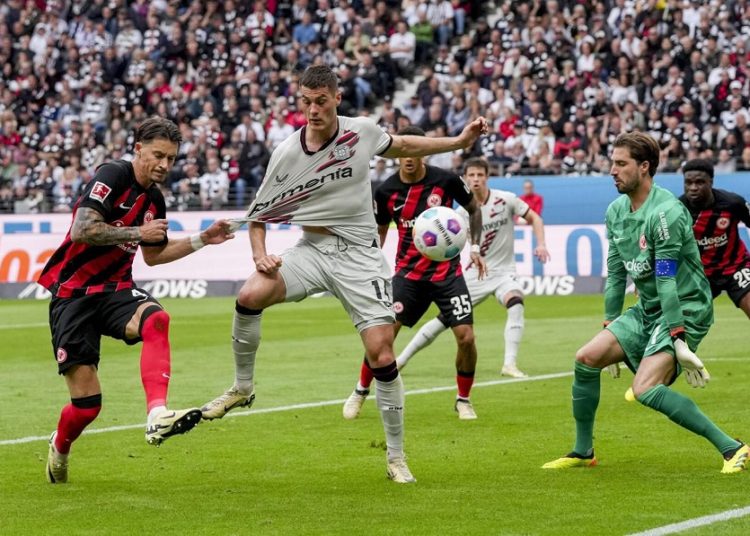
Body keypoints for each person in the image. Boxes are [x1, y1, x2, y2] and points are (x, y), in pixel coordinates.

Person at [199, 65, 489, 484]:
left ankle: (396, 457)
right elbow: (258, 216)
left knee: (383, 355)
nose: (312, 109)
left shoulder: (362, 132)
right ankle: (242, 387)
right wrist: (260, 255)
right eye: (306, 101)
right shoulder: (286, 154)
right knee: (250, 293)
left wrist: (459, 141)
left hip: (360, 258)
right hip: (312, 251)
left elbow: (406, 142)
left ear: (337, 99)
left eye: (321, 101)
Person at [38, 117, 236, 484]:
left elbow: (154, 254)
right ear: (138, 148)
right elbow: (82, 230)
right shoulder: (112, 175)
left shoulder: (154, 199)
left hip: (116, 290)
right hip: (73, 296)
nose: (164, 165)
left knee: (157, 320)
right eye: (158, 155)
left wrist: (203, 239)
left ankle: (156, 415)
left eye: (171, 159)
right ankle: (60, 447)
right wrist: (135, 231)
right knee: (87, 408)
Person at [543, 132, 749, 474]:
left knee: (645, 389)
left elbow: (666, 278)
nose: (612, 170)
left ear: (644, 167)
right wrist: (610, 323)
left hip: (684, 307)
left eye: (621, 164)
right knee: (586, 358)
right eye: (612, 162)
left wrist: (679, 337)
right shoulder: (616, 211)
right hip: (648, 308)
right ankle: (583, 451)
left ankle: (733, 448)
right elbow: (615, 272)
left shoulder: (667, 212)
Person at [342, 127, 487, 422]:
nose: (408, 158)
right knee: (381, 338)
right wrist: (370, 264)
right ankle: (359, 391)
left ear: (424, 151)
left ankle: (463, 399)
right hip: (408, 276)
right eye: (403, 153)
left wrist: (474, 247)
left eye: (414, 152)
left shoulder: (445, 181)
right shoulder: (385, 191)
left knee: (467, 338)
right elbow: (380, 230)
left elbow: (474, 208)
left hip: (447, 275)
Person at [393, 157, 550, 379]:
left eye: (480, 175)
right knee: (442, 321)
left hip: (504, 274)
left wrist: (541, 244)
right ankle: (402, 360)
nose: (476, 179)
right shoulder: (458, 215)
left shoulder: (506, 200)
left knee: (516, 302)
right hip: (475, 275)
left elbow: (535, 218)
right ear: (465, 179)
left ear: (487, 177)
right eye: (471, 175)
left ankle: (509, 364)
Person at [679, 158, 750, 319]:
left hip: (736, 267)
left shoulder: (733, 203)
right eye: (688, 183)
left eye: (699, 182)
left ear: (710, 182)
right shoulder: (678, 210)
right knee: (682, 322)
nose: (693, 188)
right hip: (701, 274)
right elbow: (665, 249)